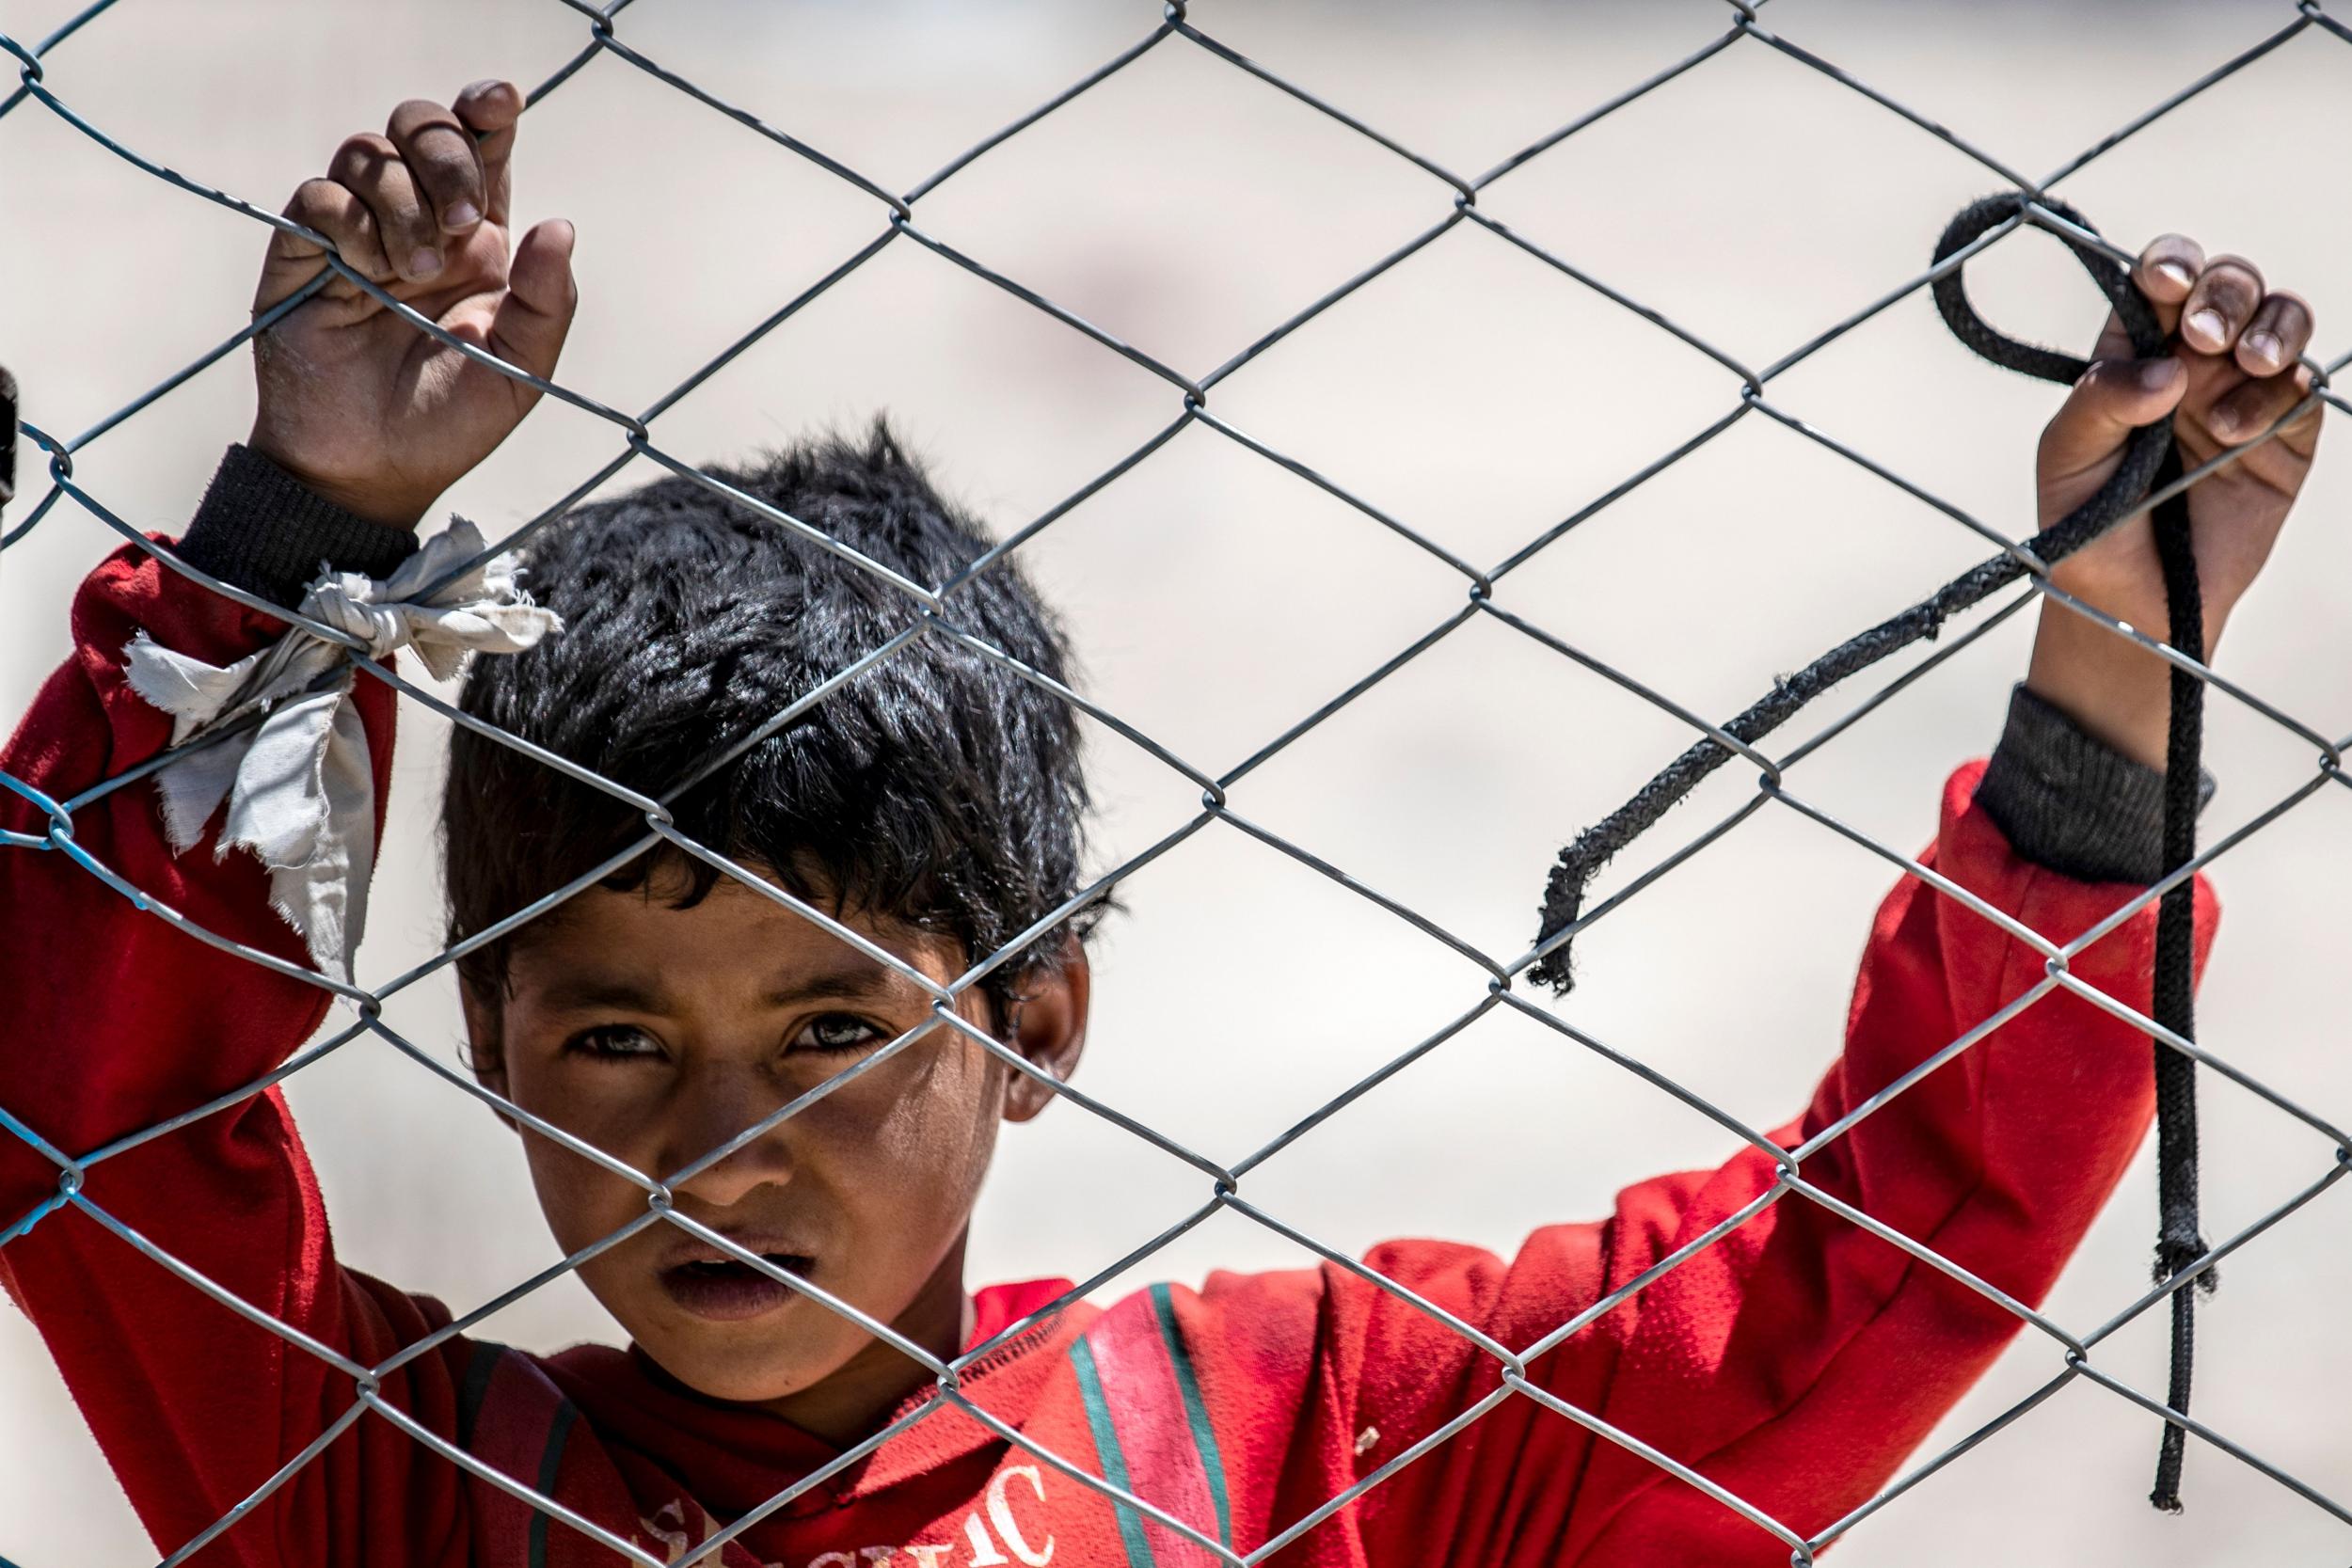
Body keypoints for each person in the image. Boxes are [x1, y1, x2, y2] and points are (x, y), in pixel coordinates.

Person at [0, 78, 2323, 1568]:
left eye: (827, 1031)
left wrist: (2116, 657)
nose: (724, 1146)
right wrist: (288, 528)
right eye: (618, 1044)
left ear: (1034, 1014)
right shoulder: (395, 1494)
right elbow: (75, 1107)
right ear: (491, 1040)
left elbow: (1851, 1280)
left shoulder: (1300, 1446)